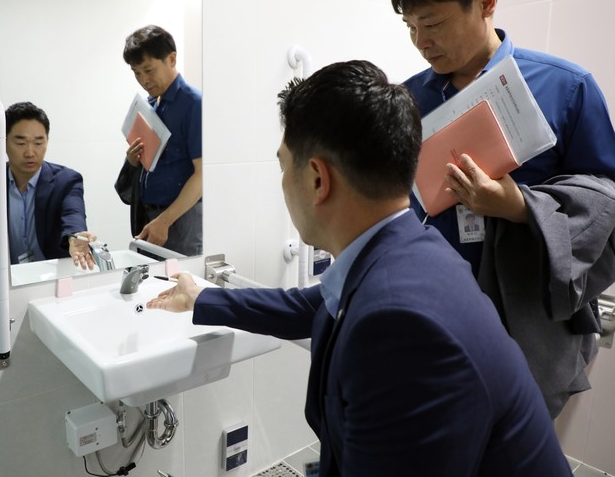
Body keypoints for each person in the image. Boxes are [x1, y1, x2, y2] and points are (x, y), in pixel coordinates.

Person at [149, 61, 570, 476]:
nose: (282, 182)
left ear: (318, 179)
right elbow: (310, 305)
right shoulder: (411, 250)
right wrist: (200, 297)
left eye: (283, 166)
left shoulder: (397, 324)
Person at [392, 0, 615, 418]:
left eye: (432, 23)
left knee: (513, 445)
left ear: (486, 1)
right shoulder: (408, 100)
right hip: (433, 316)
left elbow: (606, 203)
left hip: (527, 327)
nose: (420, 42)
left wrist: (518, 206)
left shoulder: (566, 88)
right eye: (410, 26)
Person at [115, 25, 202, 256]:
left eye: (148, 70)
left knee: (181, 278)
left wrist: (165, 220)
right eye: (136, 73)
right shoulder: (151, 105)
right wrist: (133, 160)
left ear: (171, 59)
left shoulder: (194, 103)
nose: (143, 80)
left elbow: (203, 175)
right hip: (150, 216)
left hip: (181, 219)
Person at [5, 101, 96, 269]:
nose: (30, 153)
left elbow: (73, 213)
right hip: (8, 278)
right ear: (4, 142)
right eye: (20, 144)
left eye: (38, 143)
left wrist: (75, 236)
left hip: (51, 277)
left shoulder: (66, 181)